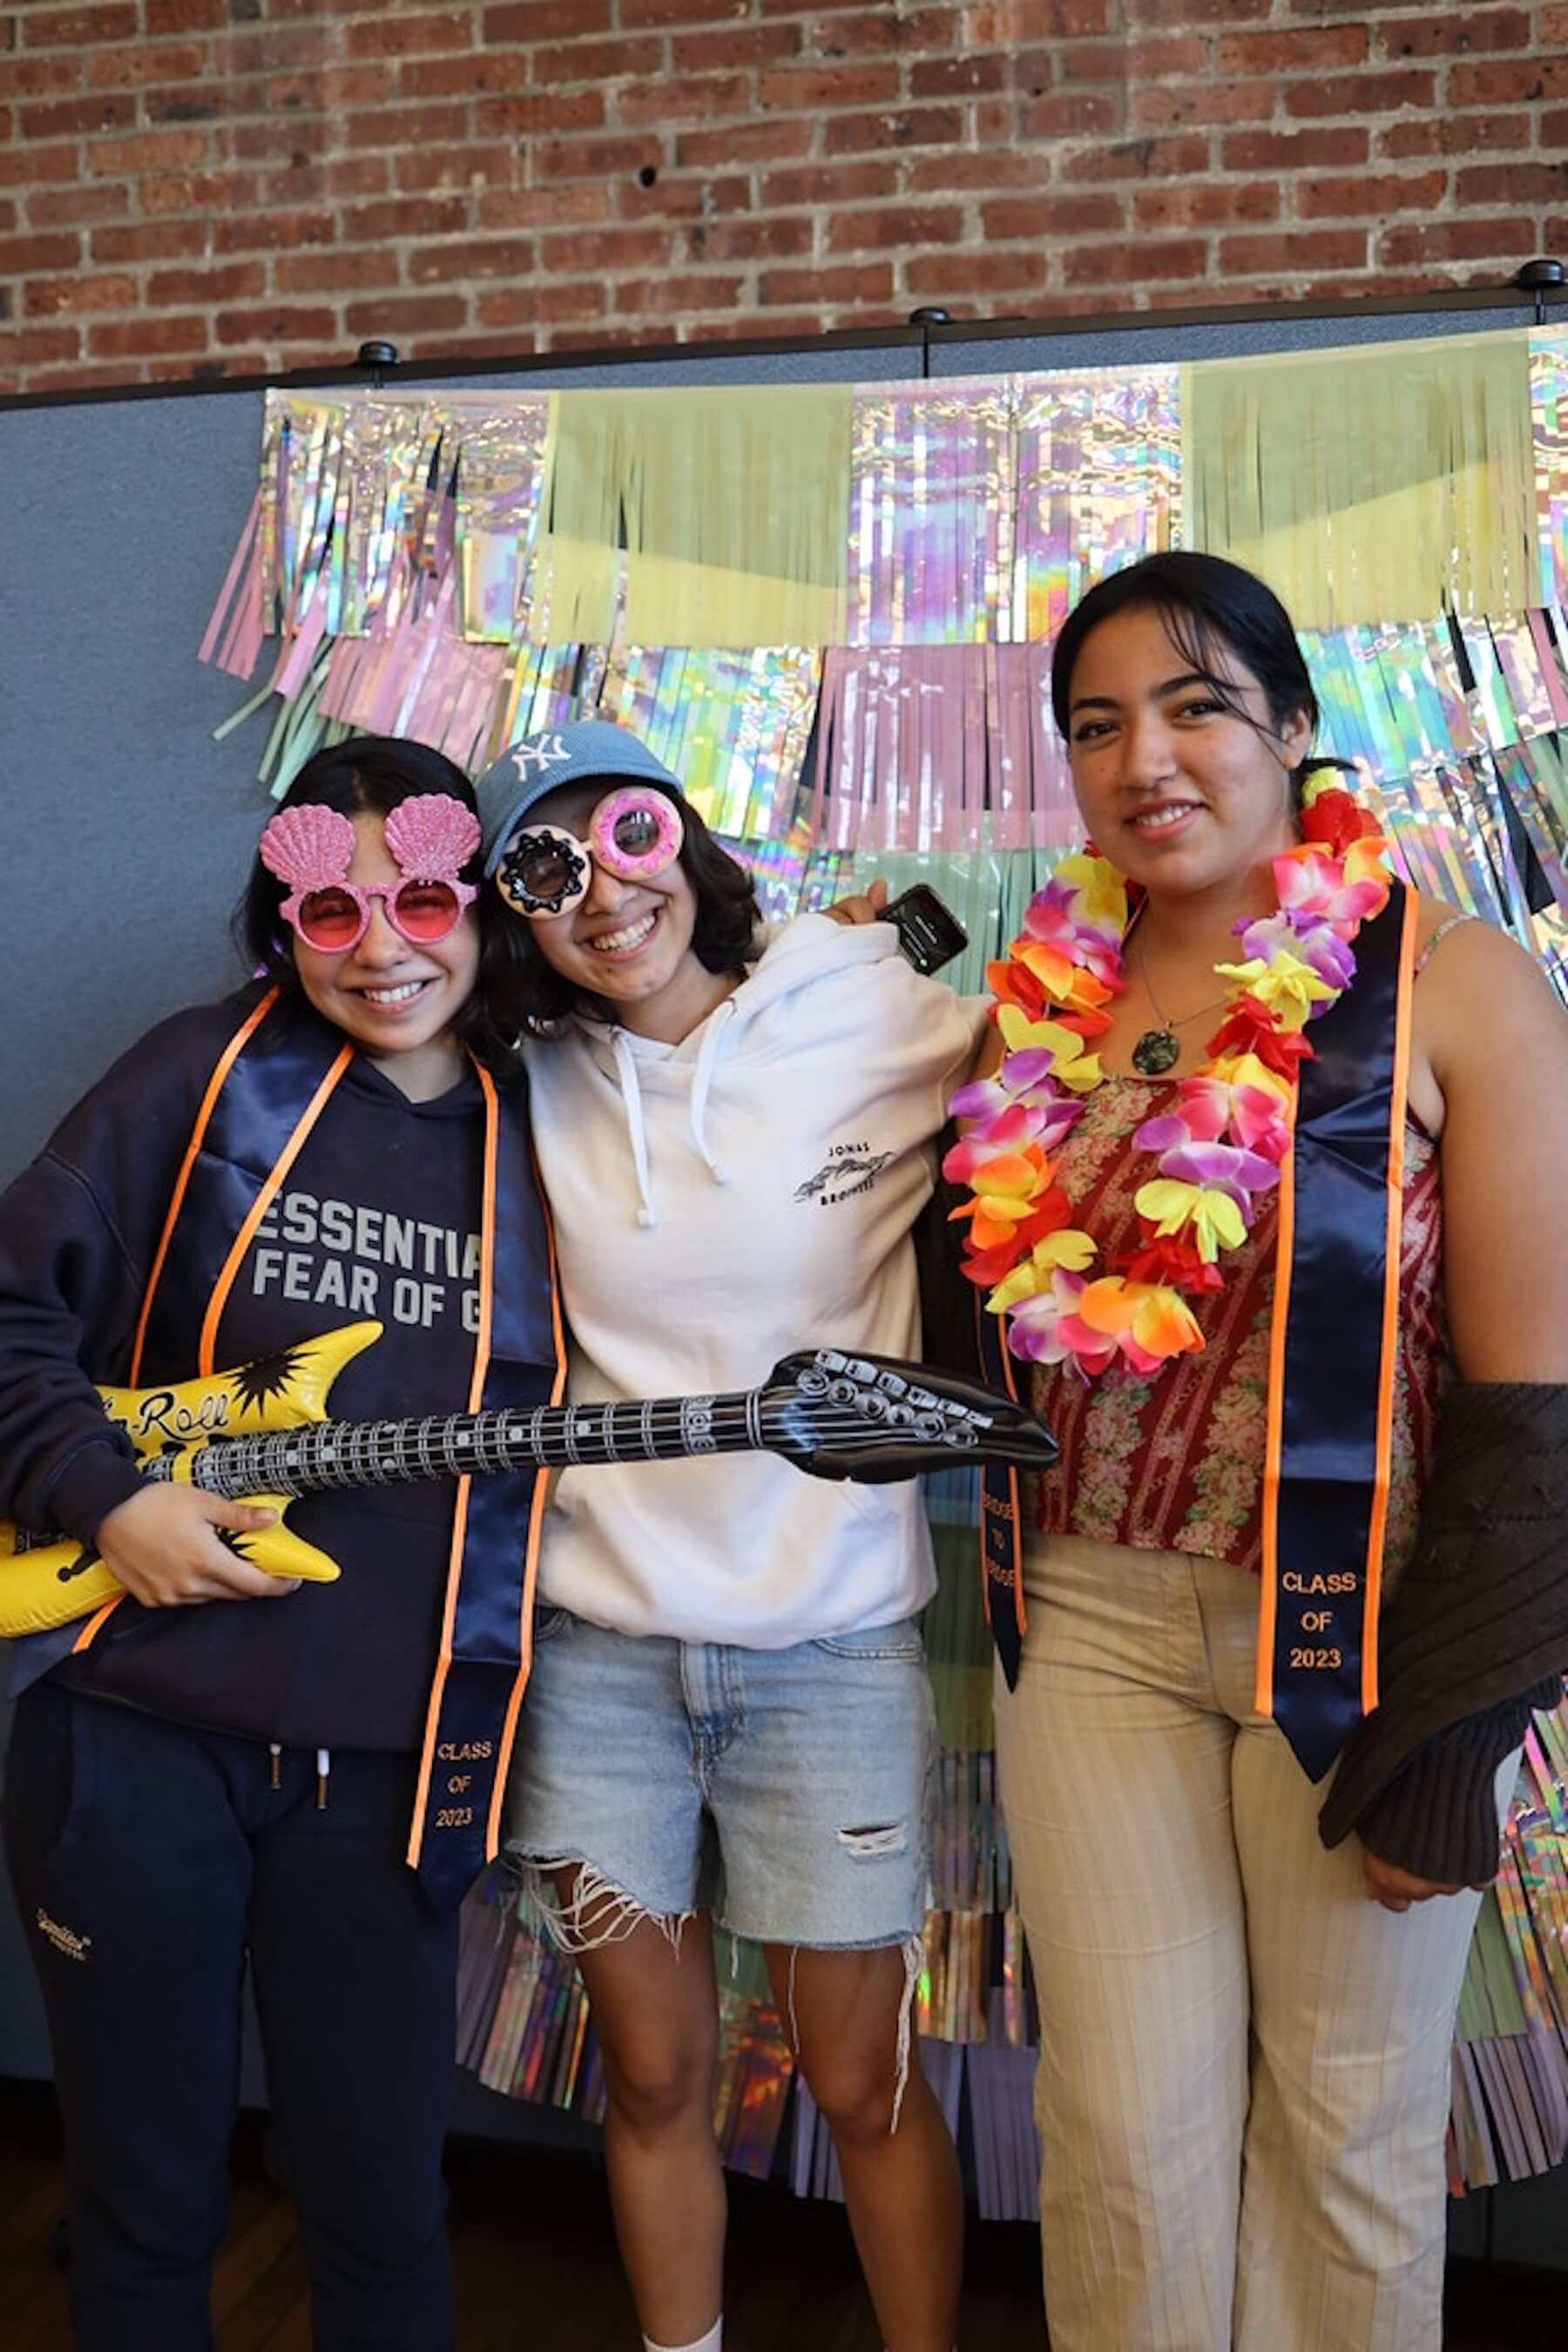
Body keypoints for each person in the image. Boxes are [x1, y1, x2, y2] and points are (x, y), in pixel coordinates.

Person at [952, 551, 1568, 2351]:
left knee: (1345, 2139)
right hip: (1089, 1631)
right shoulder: (1039, 1005)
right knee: (1123, 2143)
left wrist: (1456, 1740)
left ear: (1294, 727)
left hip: (1363, 1647)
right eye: (1098, 723)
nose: (1147, 756)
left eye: (1198, 704)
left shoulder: (1460, 985)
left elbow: (1539, 1411)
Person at [0, 738, 563, 2352]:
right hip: (129, 1731)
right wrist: (106, 1499)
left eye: (427, 897)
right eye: (332, 908)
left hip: (392, 1761)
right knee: (143, 2201)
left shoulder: (567, 1128)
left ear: (491, 904)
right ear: (282, 918)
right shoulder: (198, 1073)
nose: (383, 946)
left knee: (385, 2214)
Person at [472, 719, 979, 2352]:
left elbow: (1090, 1061)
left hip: (829, 1651)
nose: (605, 895)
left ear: (683, 839)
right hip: (602, 1661)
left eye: (628, 837)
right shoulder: (518, 1086)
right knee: (654, 2070)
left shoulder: (864, 1004)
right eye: (545, 872)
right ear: (513, 917)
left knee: (862, 2080)